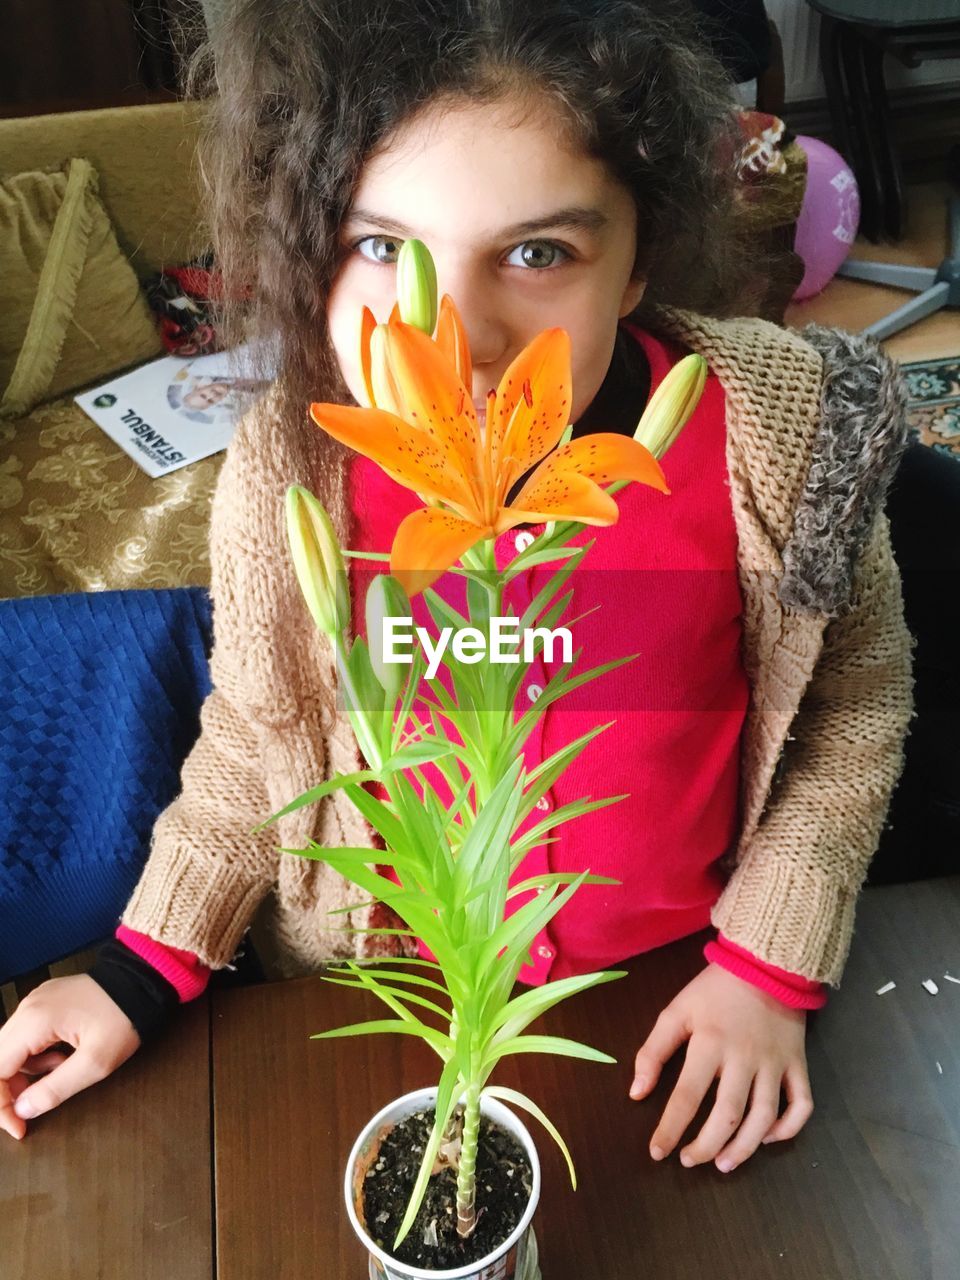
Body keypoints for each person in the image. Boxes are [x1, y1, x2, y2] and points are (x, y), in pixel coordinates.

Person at [0, 0, 914, 1183]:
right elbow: (254, 733)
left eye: (538, 253)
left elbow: (853, 702)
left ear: (637, 261)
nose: (458, 336)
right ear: (311, 247)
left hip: (671, 987)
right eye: (384, 247)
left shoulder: (771, 439)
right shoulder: (299, 470)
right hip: (390, 994)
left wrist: (769, 961)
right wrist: (143, 960)